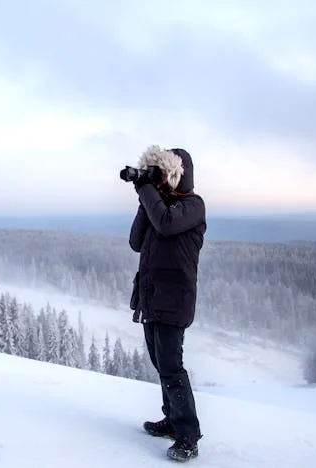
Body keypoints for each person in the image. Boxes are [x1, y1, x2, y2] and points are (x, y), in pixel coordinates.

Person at [128, 145, 206, 462]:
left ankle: (188, 435)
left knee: (172, 368)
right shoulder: (160, 207)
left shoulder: (192, 206)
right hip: (151, 296)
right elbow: (136, 242)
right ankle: (172, 420)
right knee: (161, 365)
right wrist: (143, 199)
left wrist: (148, 191)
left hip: (175, 300)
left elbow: (166, 224)